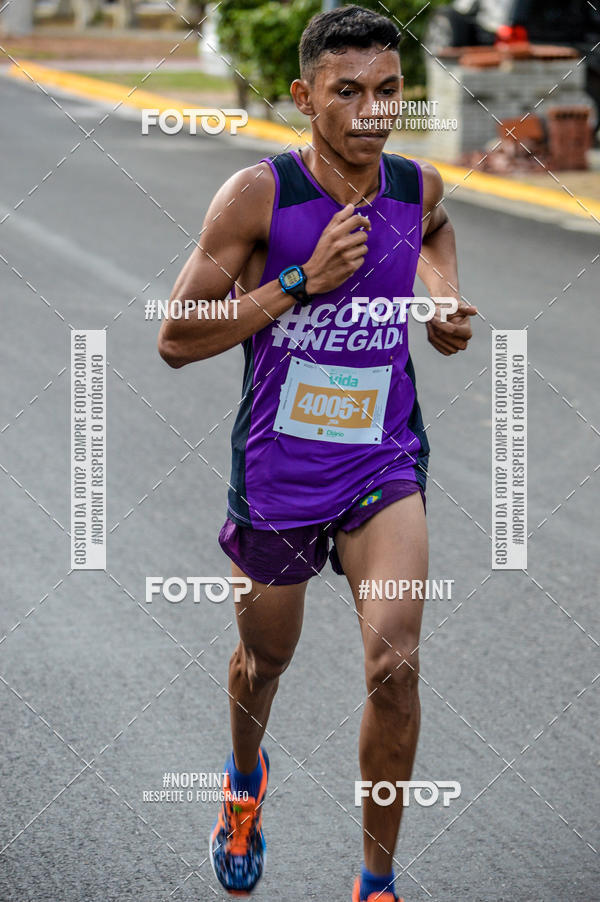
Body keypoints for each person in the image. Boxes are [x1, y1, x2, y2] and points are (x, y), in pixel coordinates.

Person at [158, 5, 477, 900]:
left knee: (395, 663)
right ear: (305, 97)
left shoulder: (414, 186)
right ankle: (245, 783)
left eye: (388, 91)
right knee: (266, 660)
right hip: (279, 474)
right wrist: (301, 282)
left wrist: (442, 297)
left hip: (380, 463)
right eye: (348, 93)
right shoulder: (260, 197)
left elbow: (439, 227)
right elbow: (178, 337)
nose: (372, 112)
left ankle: (375, 882)